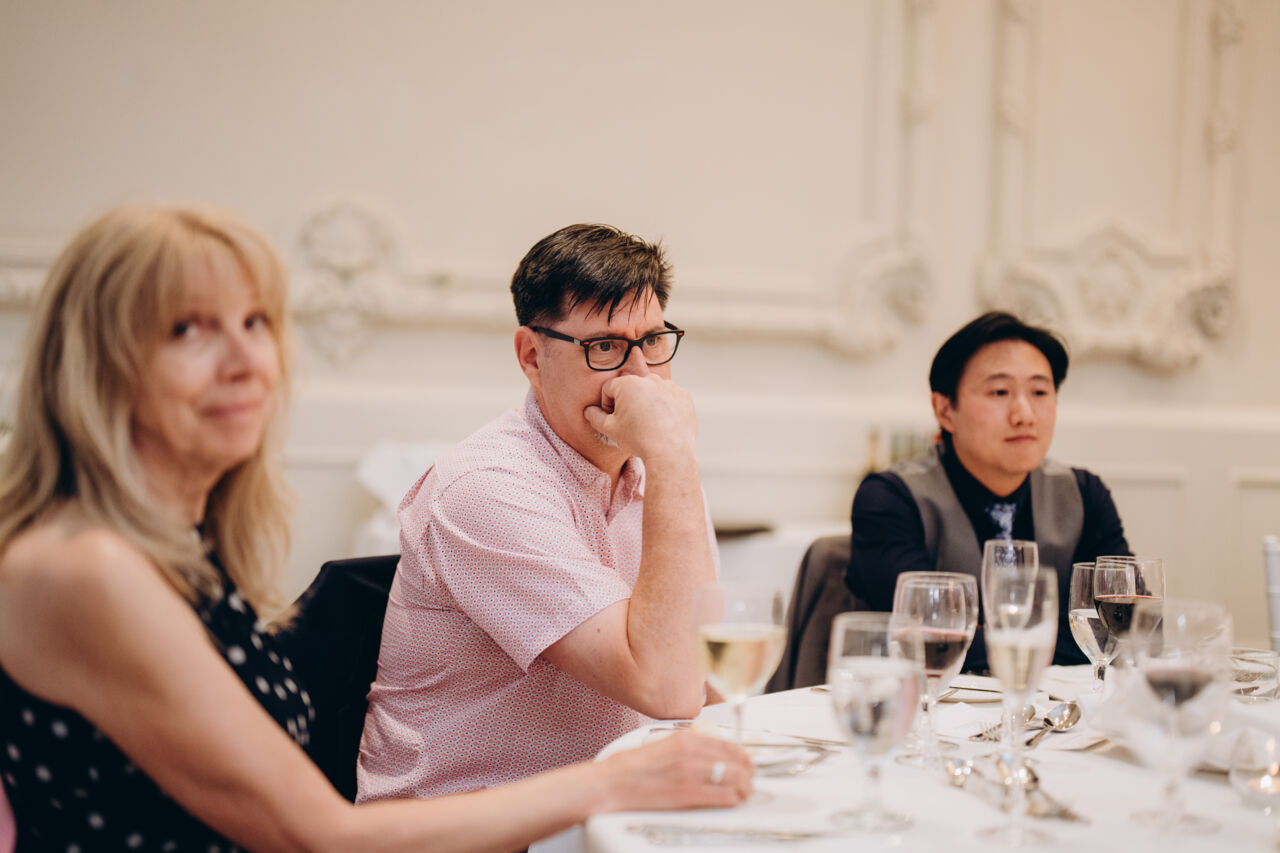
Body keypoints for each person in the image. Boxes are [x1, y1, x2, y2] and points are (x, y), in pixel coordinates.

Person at [0, 207, 751, 852]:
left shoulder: (172, 547)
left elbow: (695, 677)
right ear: (98, 363)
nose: (246, 360)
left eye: (255, 322)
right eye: (187, 329)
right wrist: (614, 782)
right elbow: (317, 835)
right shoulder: (86, 568)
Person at [358, 224, 719, 801]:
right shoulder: (486, 488)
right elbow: (669, 689)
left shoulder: (656, 465)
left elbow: (704, 672)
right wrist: (676, 454)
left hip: (611, 809)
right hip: (473, 830)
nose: (640, 379)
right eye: (605, 347)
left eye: (652, 340)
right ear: (531, 355)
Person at [846, 311, 1131, 671]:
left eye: (1039, 392)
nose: (1024, 414)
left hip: (1056, 704)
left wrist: (995, 640)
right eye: (1000, 392)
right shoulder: (890, 499)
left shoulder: (1084, 494)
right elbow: (927, 638)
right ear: (945, 410)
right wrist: (1065, 637)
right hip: (917, 703)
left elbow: (1129, 625)